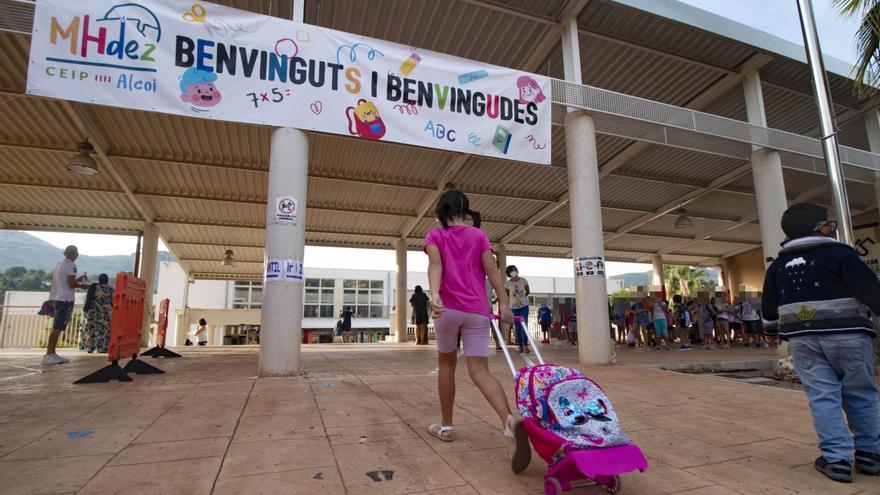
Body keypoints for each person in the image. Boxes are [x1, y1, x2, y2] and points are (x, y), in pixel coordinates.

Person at [762, 203, 880, 483]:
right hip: (849, 335)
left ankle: (836, 459)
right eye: (829, 223)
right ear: (821, 228)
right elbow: (870, 290)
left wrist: (770, 331)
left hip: (803, 342)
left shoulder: (778, 265)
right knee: (861, 392)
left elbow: (769, 306)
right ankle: (870, 453)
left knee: (822, 396)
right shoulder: (840, 254)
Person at [424, 188, 530, 474]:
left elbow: (435, 264)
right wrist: (505, 303)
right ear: (465, 211)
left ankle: (446, 427)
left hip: (447, 310)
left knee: (446, 363)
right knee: (480, 370)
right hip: (477, 311)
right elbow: (493, 272)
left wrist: (435, 295)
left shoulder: (434, 236)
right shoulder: (479, 235)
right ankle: (508, 421)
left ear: (441, 212)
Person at [43, 245, 89, 365]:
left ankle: (52, 353)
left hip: (58, 299)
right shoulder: (71, 265)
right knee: (58, 328)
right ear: (75, 254)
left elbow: (65, 281)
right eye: (76, 253)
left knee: (57, 327)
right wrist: (82, 285)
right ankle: (49, 354)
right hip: (65, 300)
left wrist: (78, 279)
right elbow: (71, 284)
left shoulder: (60, 265)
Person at [79, 273, 113, 353]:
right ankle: (102, 348)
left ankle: (90, 347)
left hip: (94, 311)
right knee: (104, 330)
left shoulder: (94, 286)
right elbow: (113, 301)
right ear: (107, 280)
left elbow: (89, 298)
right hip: (105, 313)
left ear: (99, 279)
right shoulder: (111, 288)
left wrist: (85, 309)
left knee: (91, 329)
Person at [504, 265, 531, 353]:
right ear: (508, 273)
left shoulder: (523, 280)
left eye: (514, 270)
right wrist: (513, 300)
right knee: (517, 327)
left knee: (524, 325)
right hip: (514, 308)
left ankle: (525, 346)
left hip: (524, 306)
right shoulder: (508, 283)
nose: (513, 272)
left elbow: (528, 291)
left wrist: (522, 299)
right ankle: (519, 345)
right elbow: (507, 294)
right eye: (511, 271)